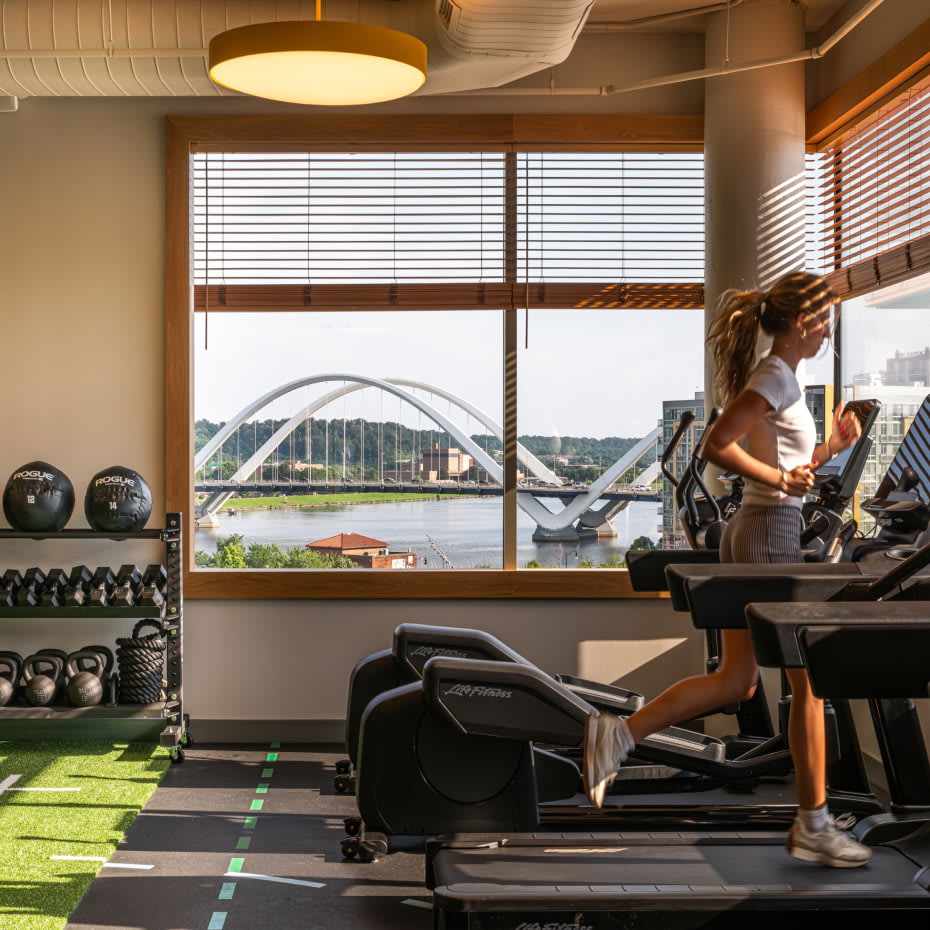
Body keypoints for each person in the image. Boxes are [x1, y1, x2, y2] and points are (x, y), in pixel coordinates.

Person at [582, 271, 870, 868]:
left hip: (763, 526)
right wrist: (780, 479)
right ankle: (813, 824)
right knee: (807, 682)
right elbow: (717, 444)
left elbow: (780, 462)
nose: (828, 331)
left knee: (739, 682)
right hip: (769, 532)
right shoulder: (776, 375)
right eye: (824, 320)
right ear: (800, 322)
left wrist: (828, 454)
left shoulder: (783, 379)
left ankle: (621, 734)